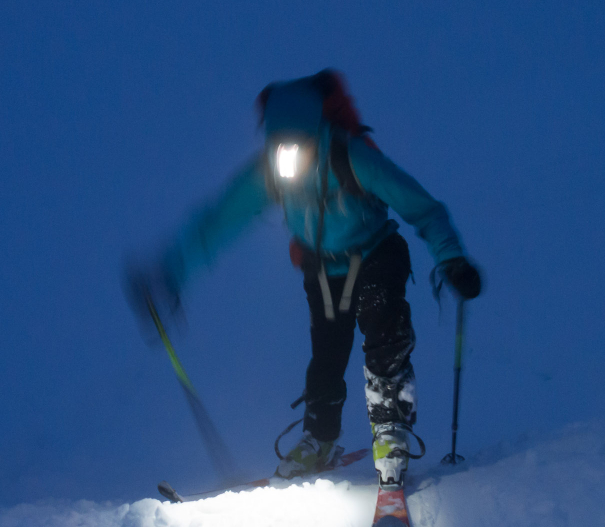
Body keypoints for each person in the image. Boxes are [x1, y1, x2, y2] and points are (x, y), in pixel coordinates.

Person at [126, 70, 481, 488]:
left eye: (296, 145)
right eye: (279, 146)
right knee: (327, 358)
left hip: (376, 256)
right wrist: (170, 272)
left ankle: (390, 434)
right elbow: (217, 223)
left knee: (385, 337)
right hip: (322, 269)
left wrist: (452, 259)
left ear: (317, 133)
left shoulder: (353, 158)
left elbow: (423, 208)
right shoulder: (272, 171)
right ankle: (321, 440)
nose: (288, 155)